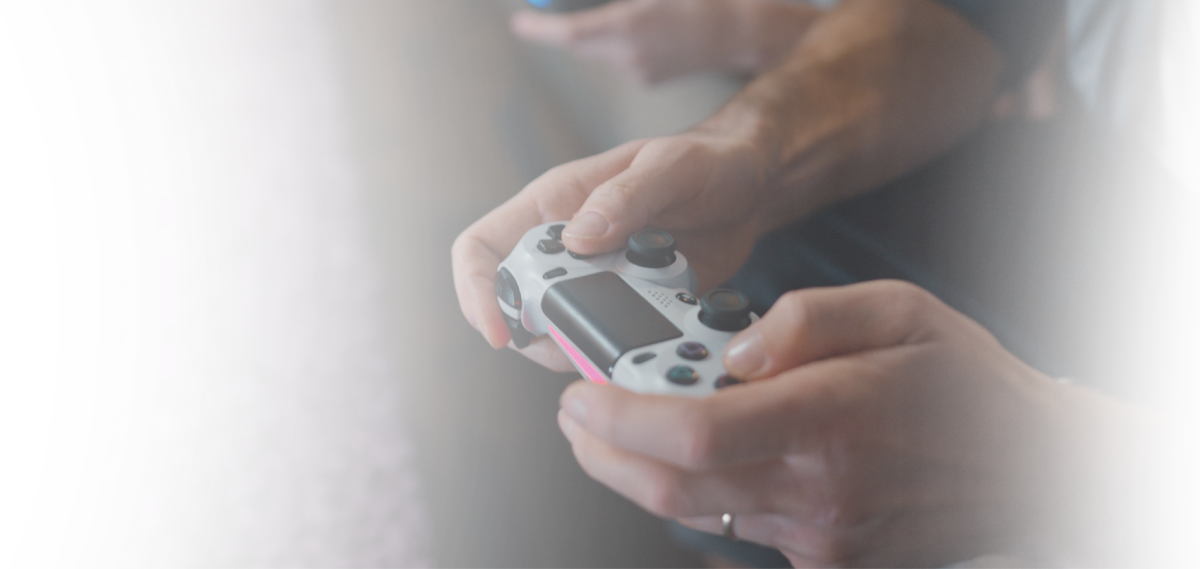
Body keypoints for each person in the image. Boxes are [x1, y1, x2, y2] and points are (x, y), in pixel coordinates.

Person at [452, 0, 1199, 566]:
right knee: (742, 398)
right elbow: (978, 13)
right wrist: (746, 148)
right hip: (1134, 177)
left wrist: (1110, 481)